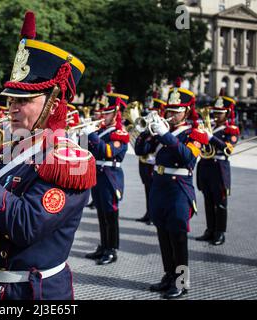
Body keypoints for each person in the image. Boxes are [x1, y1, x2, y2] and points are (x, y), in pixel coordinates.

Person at [0, 11, 95, 300]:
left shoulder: (69, 161)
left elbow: (25, 225)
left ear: (53, 103)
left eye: (23, 100)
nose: (12, 108)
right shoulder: (7, 149)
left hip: (34, 292)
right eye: (11, 100)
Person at [135, 78, 209, 299]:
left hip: (179, 189)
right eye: (170, 110)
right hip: (159, 186)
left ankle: (182, 281)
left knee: (178, 237)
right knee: (163, 234)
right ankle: (168, 275)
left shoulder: (196, 134)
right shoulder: (162, 130)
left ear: (186, 111)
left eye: (176, 111)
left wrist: (165, 135)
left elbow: (187, 158)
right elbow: (141, 150)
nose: (171, 114)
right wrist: (149, 130)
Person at [82, 83, 129, 265]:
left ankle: (112, 249)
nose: (104, 115)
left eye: (108, 113)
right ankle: (103, 246)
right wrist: (85, 135)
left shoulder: (120, 133)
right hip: (98, 175)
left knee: (111, 215)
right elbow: (89, 149)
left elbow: (108, 151)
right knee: (101, 213)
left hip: (111, 177)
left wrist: (92, 136)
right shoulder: (102, 130)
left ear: (116, 114)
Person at [195, 89, 240, 245]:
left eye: (220, 112)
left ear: (227, 113)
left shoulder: (231, 129)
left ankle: (220, 232)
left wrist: (211, 138)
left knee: (220, 202)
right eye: (215, 112)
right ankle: (210, 230)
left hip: (219, 168)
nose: (216, 115)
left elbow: (228, 149)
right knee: (208, 201)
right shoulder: (209, 127)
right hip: (205, 166)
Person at [135, 91, 166, 225]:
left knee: (156, 193)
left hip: (156, 166)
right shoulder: (147, 131)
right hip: (145, 165)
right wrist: (142, 134)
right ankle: (149, 213)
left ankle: (155, 215)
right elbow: (140, 150)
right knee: (148, 190)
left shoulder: (162, 130)